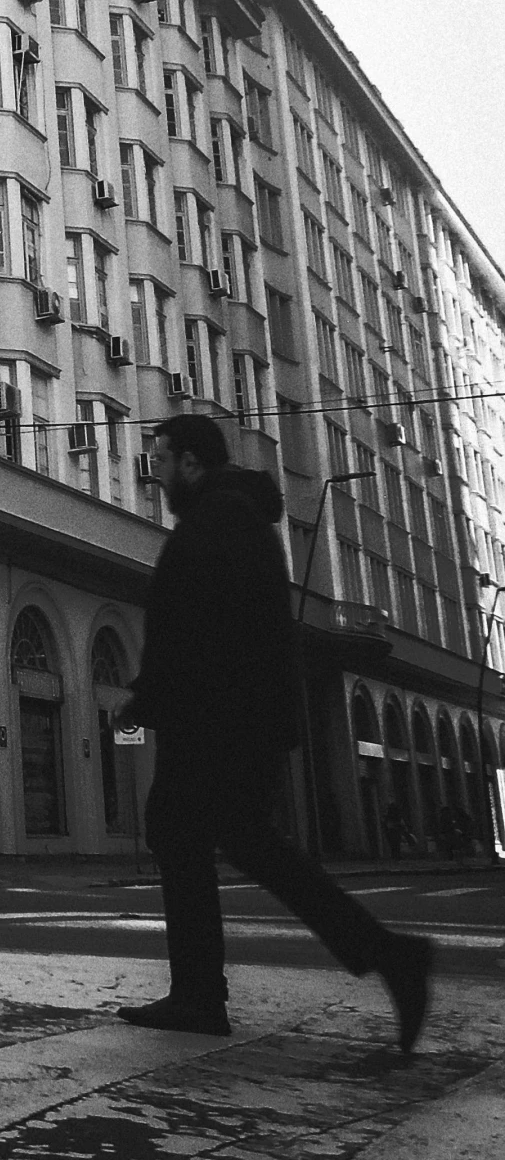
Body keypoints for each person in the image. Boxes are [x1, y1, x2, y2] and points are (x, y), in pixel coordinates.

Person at [117, 415, 434, 1051]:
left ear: (192, 462)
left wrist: (150, 696)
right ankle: (382, 955)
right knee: (243, 840)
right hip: (231, 714)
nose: (155, 473)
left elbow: (196, 626)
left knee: (186, 832)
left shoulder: (220, 520)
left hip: (217, 719)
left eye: (161, 458)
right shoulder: (233, 516)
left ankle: (205, 995)